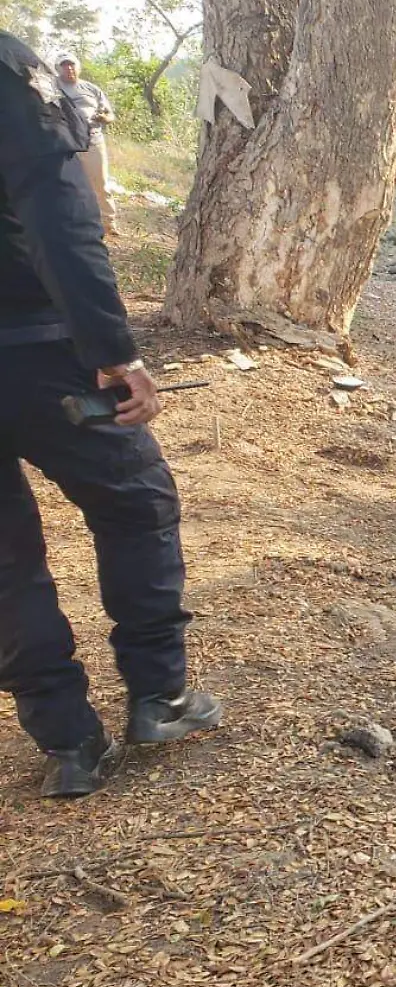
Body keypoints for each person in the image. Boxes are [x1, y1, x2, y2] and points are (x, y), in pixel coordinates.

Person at [1, 33, 222, 799]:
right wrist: (114, 352)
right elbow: (58, 219)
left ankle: (66, 740)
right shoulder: (6, 72)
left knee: (3, 562)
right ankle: (158, 697)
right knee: (136, 502)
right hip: (34, 349)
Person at [54, 53, 116, 237]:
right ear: (58, 69)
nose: (69, 69)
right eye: (64, 66)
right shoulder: (52, 87)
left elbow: (110, 115)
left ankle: (108, 223)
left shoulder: (91, 89)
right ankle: (70, 223)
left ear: (78, 67)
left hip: (92, 141)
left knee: (101, 183)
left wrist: (104, 118)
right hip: (65, 142)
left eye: (72, 65)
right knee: (65, 184)